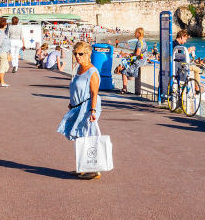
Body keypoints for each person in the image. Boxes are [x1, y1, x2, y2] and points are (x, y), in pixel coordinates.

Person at [56, 41, 104, 180]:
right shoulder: (78, 69)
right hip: (77, 106)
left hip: (88, 106)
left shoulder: (92, 71)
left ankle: (95, 170)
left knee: (87, 137)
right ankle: (82, 167)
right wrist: (71, 103)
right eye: (75, 53)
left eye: (80, 54)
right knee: (79, 137)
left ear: (88, 54)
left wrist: (93, 111)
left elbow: (94, 93)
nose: (77, 56)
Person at [113, 27, 147, 93]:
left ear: (139, 33)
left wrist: (130, 54)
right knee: (125, 68)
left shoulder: (139, 42)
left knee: (124, 71)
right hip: (143, 60)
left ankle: (124, 88)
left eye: (136, 33)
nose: (134, 34)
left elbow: (137, 53)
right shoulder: (144, 41)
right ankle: (125, 88)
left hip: (139, 62)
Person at [0, 17, 12, 87]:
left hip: (2, 51)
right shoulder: (1, 33)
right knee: (3, 67)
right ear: (4, 24)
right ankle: (2, 82)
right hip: (2, 51)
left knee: (6, 66)